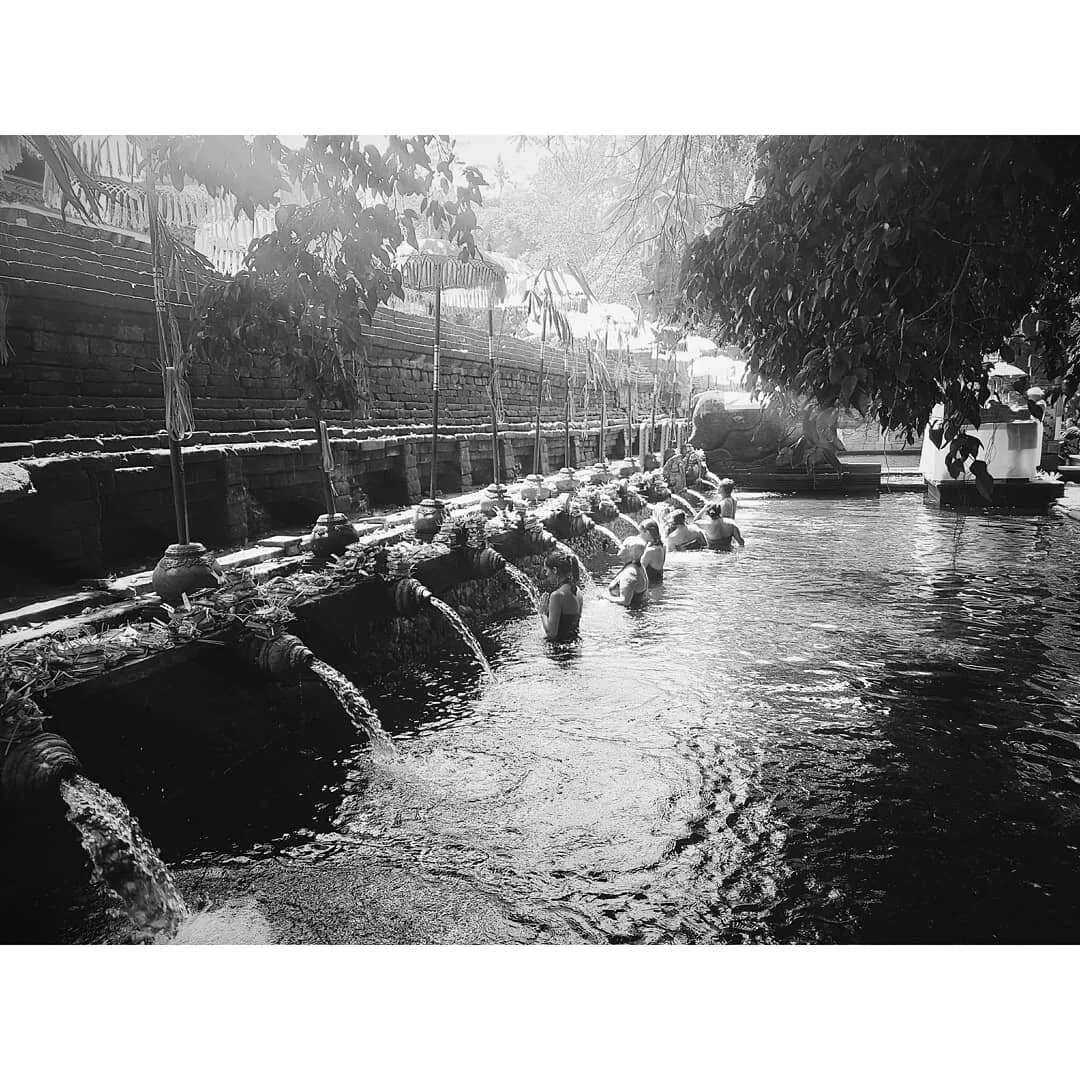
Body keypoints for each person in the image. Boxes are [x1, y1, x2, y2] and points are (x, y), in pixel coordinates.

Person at [539, 549, 583, 641]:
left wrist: (543, 613)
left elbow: (551, 634)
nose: (546, 574)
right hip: (574, 646)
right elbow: (575, 626)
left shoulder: (557, 596)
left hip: (559, 652)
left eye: (546, 570)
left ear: (554, 570)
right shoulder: (578, 591)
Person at [607, 537, 649, 608]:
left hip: (627, 616)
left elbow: (625, 601)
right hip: (636, 613)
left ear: (630, 551)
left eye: (623, 545)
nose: (619, 546)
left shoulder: (629, 573)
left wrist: (604, 597)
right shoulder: (639, 566)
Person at [638, 518, 667, 582]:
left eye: (641, 532)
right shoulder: (662, 547)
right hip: (658, 583)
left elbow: (638, 571)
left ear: (647, 532)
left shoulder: (650, 551)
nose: (640, 535)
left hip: (650, 587)